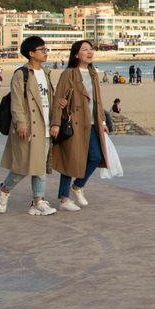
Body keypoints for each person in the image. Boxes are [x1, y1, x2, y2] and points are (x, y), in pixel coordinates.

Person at [0, 35, 57, 216]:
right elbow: (17, 102)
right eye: (42, 50)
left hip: (44, 126)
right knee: (23, 166)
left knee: (40, 167)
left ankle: (38, 200)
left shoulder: (46, 73)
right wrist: (21, 124)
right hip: (29, 126)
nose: (46, 53)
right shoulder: (21, 74)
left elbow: (48, 99)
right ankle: (4, 189)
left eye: (46, 49)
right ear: (31, 53)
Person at [50, 40, 109, 212]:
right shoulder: (69, 73)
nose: (90, 52)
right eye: (85, 50)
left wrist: (102, 121)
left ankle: (78, 186)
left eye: (91, 49)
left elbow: (98, 102)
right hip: (74, 123)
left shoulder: (93, 74)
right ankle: (64, 199)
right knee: (71, 160)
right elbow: (58, 100)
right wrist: (55, 123)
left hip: (90, 124)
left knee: (96, 157)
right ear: (76, 55)